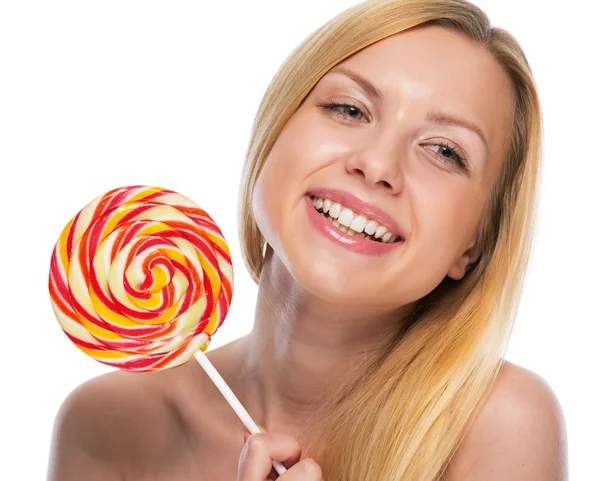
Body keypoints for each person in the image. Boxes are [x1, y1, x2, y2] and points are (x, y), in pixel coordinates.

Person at [47, 0, 568, 480]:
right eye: (349, 109)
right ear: (274, 132)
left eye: (444, 151)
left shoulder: (501, 425)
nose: (377, 165)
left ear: (472, 245)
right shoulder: (104, 425)